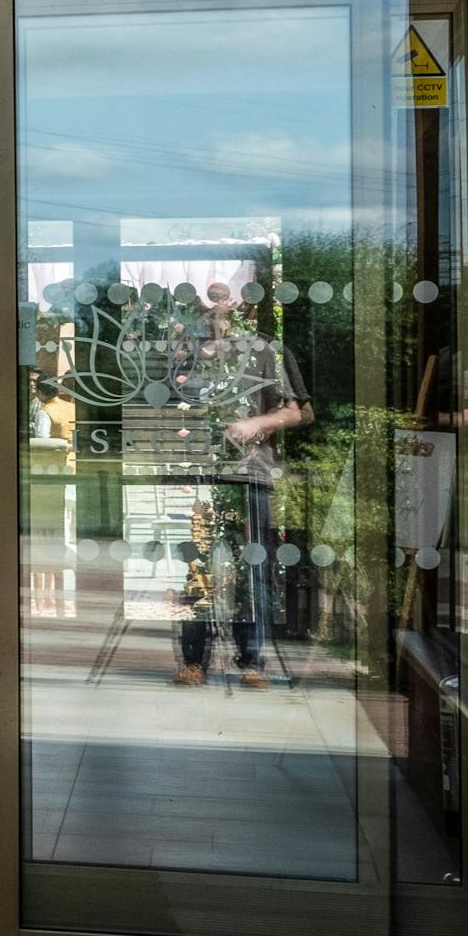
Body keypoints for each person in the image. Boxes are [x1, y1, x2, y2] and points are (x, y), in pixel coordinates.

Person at [175, 277, 309, 689]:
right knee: (195, 567)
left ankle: (252, 659)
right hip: (196, 475)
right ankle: (194, 658)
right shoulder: (185, 355)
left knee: (253, 566)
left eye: (224, 299)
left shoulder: (266, 350)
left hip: (251, 473)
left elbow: (299, 411)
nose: (216, 305)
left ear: (240, 306)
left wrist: (257, 422)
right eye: (208, 300)